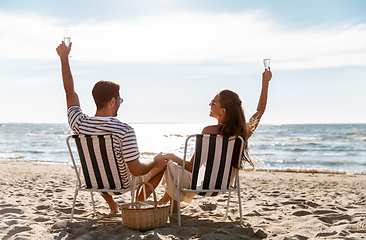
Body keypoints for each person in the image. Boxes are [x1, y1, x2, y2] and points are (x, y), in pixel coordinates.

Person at [56, 41, 166, 214]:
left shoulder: (79, 123)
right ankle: (136, 205)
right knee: (162, 164)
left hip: (94, 181)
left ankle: (113, 206)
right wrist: (155, 162)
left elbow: (69, 91)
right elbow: (136, 170)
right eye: (120, 100)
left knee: (98, 165)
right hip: (122, 184)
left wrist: (64, 58)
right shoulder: (124, 130)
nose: (120, 104)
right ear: (112, 101)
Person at [158, 68, 272, 212]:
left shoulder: (208, 131)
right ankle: (168, 205)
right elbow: (260, 111)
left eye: (213, 103)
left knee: (169, 165)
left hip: (201, 184)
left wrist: (171, 156)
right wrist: (265, 83)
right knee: (173, 167)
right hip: (223, 185)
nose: (209, 105)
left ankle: (168, 206)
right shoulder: (243, 132)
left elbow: (191, 167)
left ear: (223, 110)